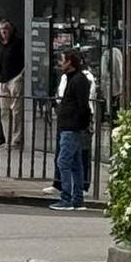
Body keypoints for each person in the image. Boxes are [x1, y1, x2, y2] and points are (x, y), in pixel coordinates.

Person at [50, 49, 94, 210]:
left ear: (70, 62)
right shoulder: (72, 79)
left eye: (63, 60)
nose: (61, 63)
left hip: (72, 126)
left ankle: (67, 198)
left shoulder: (78, 80)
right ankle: (77, 198)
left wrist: (81, 123)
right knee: (75, 164)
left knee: (64, 161)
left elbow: (82, 105)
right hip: (69, 125)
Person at [0, 19, 25, 150]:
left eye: (6, 28)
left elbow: (25, 59)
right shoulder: (1, 45)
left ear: (10, 29)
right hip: (3, 80)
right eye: (1, 29)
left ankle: (16, 140)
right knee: (4, 111)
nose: (3, 32)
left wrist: (21, 75)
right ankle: (8, 138)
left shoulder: (18, 43)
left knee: (16, 110)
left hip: (15, 77)